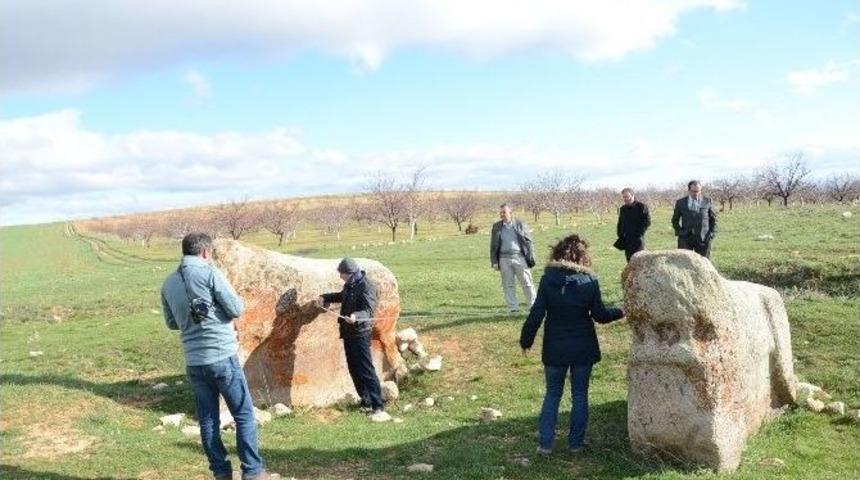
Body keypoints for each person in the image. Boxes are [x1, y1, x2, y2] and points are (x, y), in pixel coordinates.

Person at [161, 233, 269, 480]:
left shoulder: (168, 283)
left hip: (194, 361)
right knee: (243, 414)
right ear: (206, 252)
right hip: (222, 356)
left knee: (208, 420)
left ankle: (221, 473)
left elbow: (170, 322)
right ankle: (252, 472)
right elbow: (236, 309)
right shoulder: (210, 273)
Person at [519, 234, 624, 455]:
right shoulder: (590, 281)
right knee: (580, 395)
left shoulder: (548, 279)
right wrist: (622, 311)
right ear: (583, 257)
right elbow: (600, 315)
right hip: (583, 347)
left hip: (555, 347)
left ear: (557, 252)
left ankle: (545, 445)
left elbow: (536, 313)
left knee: (552, 394)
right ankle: (575, 444)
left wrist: (526, 340)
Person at [318, 258, 391, 422]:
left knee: (366, 369)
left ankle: (378, 406)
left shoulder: (367, 286)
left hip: (360, 333)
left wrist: (356, 316)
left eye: (342, 275)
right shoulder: (351, 284)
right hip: (348, 332)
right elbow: (342, 296)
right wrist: (325, 297)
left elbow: (368, 310)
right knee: (353, 368)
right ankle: (365, 401)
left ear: (350, 273)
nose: (341, 278)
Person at [490, 203, 537, 313]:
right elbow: (493, 245)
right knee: (508, 284)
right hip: (503, 259)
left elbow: (529, 242)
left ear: (510, 213)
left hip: (520, 257)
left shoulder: (521, 224)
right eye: (500, 212)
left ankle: (533, 306)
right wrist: (494, 261)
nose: (502, 214)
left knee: (527, 282)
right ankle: (512, 308)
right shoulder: (496, 226)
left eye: (504, 212)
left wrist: (531, 258)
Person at [671, 180, 718, 258]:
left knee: (703, 263)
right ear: (689, 190)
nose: (696, 194)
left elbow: (714, 220)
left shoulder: (708, 201)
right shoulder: (680, 202)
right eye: (694, 191)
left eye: (698, 191)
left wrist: (711, 234)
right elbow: (675, 220)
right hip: (685, 239)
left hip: (703, 238)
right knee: (684, 262)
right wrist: (680, 232)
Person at [614, 188, 651, 262]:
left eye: (627, 196)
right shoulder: (623, 209)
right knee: (629, 261)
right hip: (627, 240)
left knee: (639, 261)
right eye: (623, 197)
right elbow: (620, 222)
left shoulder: (641, 207)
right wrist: (620, 234)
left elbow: (647, 222)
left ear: (633, 195)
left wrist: (639, 233)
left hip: (638, 240)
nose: (625, 199)